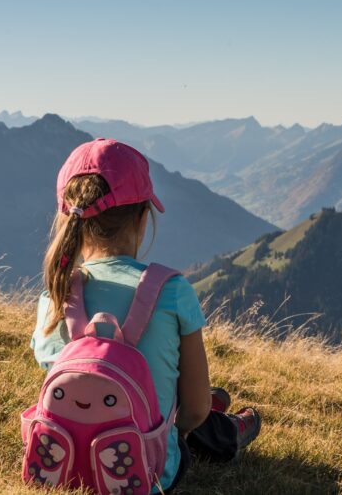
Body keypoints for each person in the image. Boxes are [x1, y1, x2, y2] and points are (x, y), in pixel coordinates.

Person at [30, 138, 260, 492]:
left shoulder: (56, 293)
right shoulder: (171, 290)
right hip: (149, 474)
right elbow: (195, 412)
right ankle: (227, 429)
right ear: (142, 217)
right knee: (188, 407)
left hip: (61, 465)